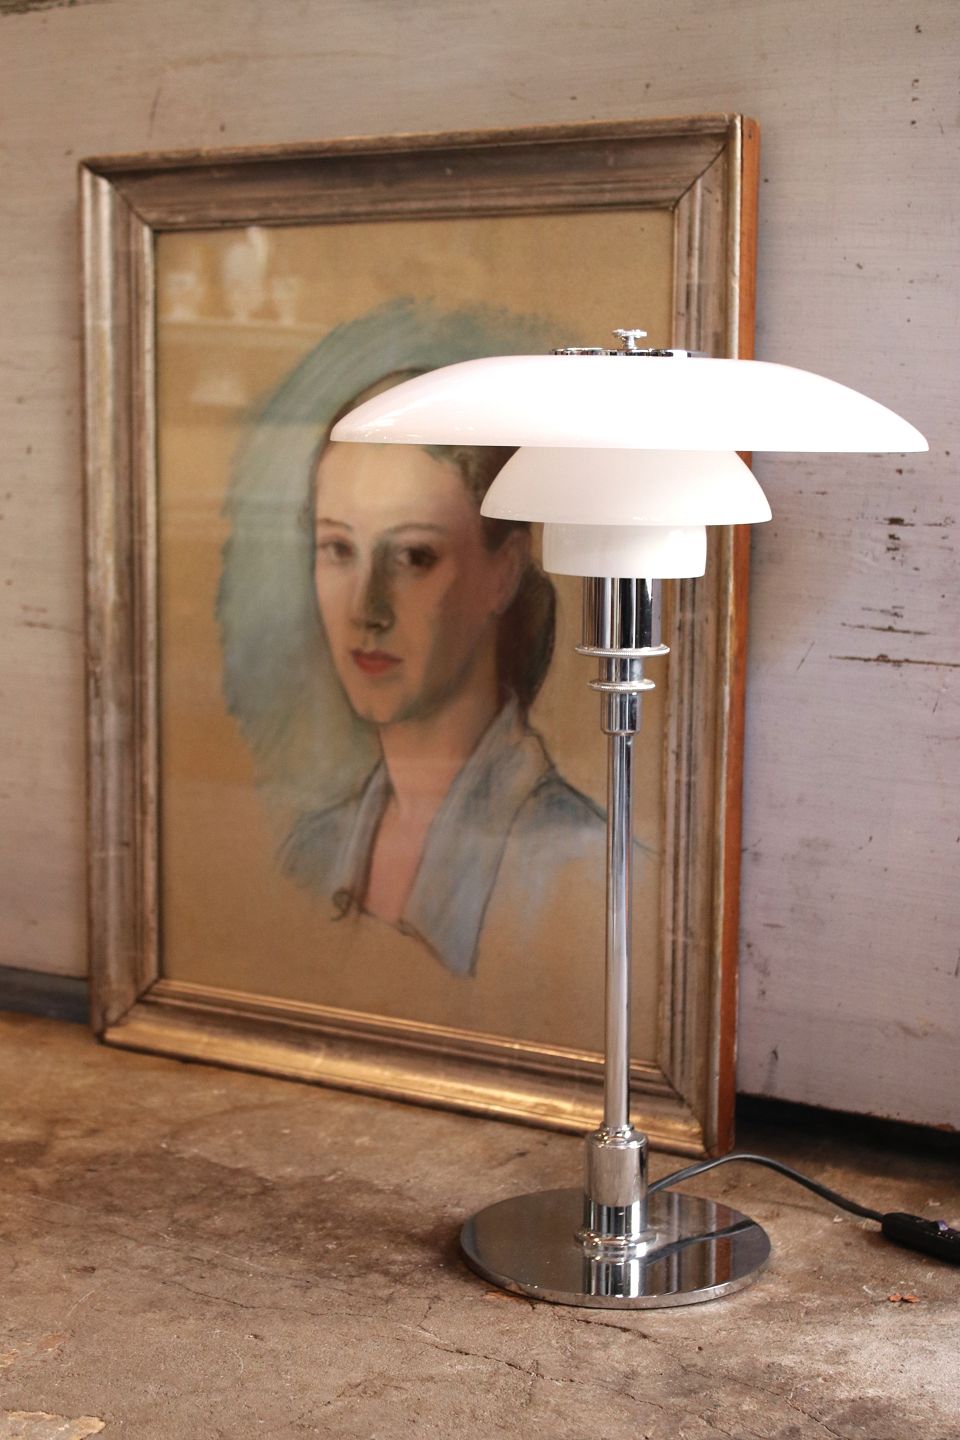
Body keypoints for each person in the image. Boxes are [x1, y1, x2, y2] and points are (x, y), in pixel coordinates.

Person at [281, 375, 606, 976]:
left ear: (503, 573)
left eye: (413, 556)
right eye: (338, 549)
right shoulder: (309, 852)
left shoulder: (579, 866)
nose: (366, 610)